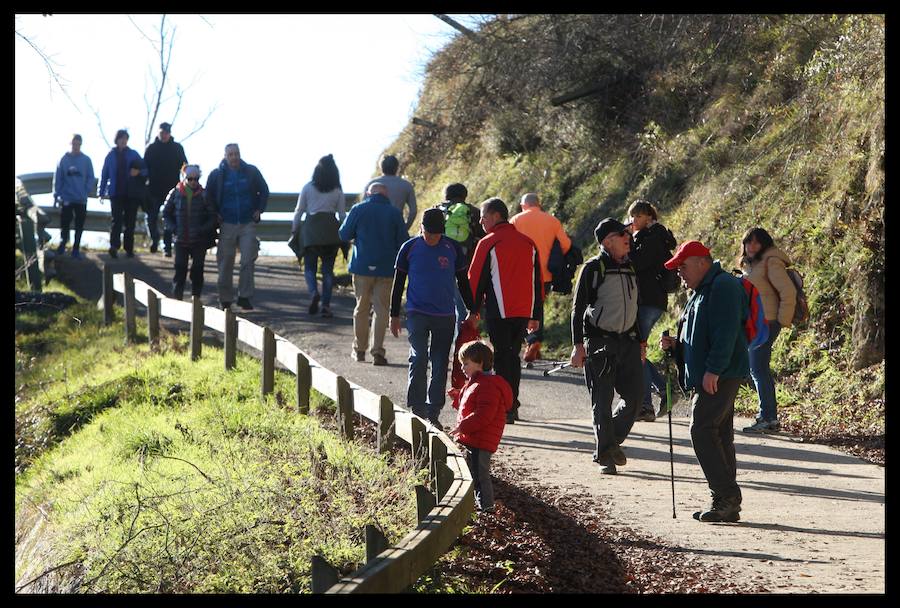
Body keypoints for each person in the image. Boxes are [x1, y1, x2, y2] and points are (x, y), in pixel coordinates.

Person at [659, 240, 749, 522]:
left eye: (683, 267)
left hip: (721, 374)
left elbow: (727, 333)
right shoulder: (701, 291)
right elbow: (701, 337)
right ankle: (726, 503)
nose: (680, 274)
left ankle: (726, 496)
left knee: (701, 430)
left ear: (702, 262)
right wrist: (677, 347)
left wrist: (714, 370)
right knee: (719, 435)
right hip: (715, 373)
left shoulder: (723, 286)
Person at [569, 218, 646, 475]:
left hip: (629, 342)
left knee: (635, 399)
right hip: (600, 342)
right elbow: (578, 309)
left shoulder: (631, 267)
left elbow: (635, 308)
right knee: (602, 400)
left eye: (628, 233)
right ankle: (606, 457)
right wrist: (578, 346)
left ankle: (608, 442)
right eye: (621, 233)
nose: (628, 237)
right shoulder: (593, 268)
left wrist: (641, 340)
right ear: (607, 241)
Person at [390, 208, 474, 428]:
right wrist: (394, 314)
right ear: (421, 229)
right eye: (428, 233)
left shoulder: (452, 248)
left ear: (442, 232)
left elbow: (463, 282)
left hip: (444, 315)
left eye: (436, 234)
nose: (432, 238)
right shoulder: (409, 248)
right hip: (417, 312)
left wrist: (472, 309)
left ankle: (433, 409)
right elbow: (398, 283)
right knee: (418, 357)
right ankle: (417, 406)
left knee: (439, 363)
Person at [468, 197, 543, 424]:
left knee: (502, 356)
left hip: (498, 309)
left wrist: (473, 310)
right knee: (513, 356)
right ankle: (513, 405)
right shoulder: (528, 242)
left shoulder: (488, 242)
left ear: (495, 216)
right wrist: (536, 314)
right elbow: (537, 281)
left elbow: (475, 279)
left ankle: (505, 407)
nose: (481, 221)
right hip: (522, 309)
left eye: (484, 216)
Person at [339, 182, 408, 365]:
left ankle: (359, 350)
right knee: (381, 309)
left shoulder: (358, 209)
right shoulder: (394, 212)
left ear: (369, 193)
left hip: (362, 266)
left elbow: (344, 234)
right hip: (386, 267)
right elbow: (403, 241)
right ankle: (377, 351)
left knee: (361, 308)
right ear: (386, 195)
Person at [737, 228, 797, 433]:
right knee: (758, 368)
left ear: (765, 244)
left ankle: (768, 417)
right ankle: (768, 416)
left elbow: (787, 292)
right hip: (757, 322)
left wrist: (781, 321)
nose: (752, 246)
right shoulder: (752, 265)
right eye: (748, 242)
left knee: (758, 369)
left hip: (767, 322)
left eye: (756, 243)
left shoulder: (771, 262)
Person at [625, 199, 678, 422]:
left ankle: (646, 404)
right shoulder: (648, 236)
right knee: (638, 349)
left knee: (638, 350)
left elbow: (636, 263)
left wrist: (627, 240)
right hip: (648, 300)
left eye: (638, 216)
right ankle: (664, 389)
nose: (634, 221)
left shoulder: (654, 237)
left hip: (649, 301)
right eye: (632, 217)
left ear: (649, 217)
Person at [448, 340, 513, 512]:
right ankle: (480, 504)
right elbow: (470, 405)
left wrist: (463, 426)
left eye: (466, 364)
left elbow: (484, 414)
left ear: (480, 363)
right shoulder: (477, 382)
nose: (462, 368)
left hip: (482, 438)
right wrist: (457, 396)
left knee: (480, 475)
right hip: (475, 437)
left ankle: (487, 507)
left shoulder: (488, 385)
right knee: (475, 473)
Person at [205, 143, 269, 311]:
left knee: (248, 258)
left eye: (237, 154)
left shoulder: (251, 172)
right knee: (226, 262)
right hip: (227, 223)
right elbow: (208, 196)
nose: (234, 157)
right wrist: (215, 214)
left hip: (247, 222)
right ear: (225, 156)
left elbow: (264, 190)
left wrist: (259, 210)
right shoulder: (217, 175)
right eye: (231, 154)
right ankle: (225, 299)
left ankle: (244, 297)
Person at [509, 192, 572, 363]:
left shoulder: (516, 220)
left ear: (523, 205)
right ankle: (535, 342)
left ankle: (531, 340)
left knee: (522, 308)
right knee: (538, 307)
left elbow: (508, 244)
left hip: (522, 273)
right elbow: (566, 244)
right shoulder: (552, 220)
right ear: (539, 204)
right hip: (545, 274)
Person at [291, 154, 346, 318]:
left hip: (311, 230)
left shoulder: (308, 187)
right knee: (328, 271)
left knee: (310, 267)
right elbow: (342, 215)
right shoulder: (337, 190)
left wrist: (295, 230)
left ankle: (314, 292)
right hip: (331, 230)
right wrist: (348, 232)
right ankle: (326, 306)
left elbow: (299, 211)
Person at [433, 182, 485, 332]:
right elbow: (483, 239)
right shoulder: (473, 212)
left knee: (437, 308)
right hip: (465, 266)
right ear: (465, 195)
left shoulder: (437, 211)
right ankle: (459, 349)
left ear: (446, 195)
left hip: (438, 266)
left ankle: (439, 346)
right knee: (461, 309)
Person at [162, 164, 216, 300]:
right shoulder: (175, 193)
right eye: (190, 178)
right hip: (180, 239)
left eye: (196, 179)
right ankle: (177, 299)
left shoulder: (204, 195)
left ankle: (196, 298)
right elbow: (165, 214)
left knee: (197, 270)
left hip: (199, 240)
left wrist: (202, 230)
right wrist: (173, 228)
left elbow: (212, 216)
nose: (193, 182)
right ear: (184, 178)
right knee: (180, 269)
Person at [144, 121, 188, 256]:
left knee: (169, 218)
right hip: (153, 189)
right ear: (159, 132)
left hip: (172, 190)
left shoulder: (177, 148)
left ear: (170, 134)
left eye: (167, 133)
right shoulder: (151, 148)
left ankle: (167, 247)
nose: (164, 135)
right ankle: (155, 239)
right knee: (150, 218)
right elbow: (144, 167)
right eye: (162, 133)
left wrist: (187, 177)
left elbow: (184, 166)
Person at [99, 129, 144, 258]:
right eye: (121, 139)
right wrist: (101, 192)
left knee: (130, 222)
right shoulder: (110, 155)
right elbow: (104, 174)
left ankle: (129, 248)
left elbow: (145, 169)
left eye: (125, 139)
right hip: (116, 193)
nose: (123, 141)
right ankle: (114, 246)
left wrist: (138, 172)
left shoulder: (133, 154)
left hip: (131, 194)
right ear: (117, 140)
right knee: (116, 220)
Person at [53, 134, 95, 259]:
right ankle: (62, 245)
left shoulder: (86, 160)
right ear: (70, 144)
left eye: (78, 144)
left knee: (79, 224)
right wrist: (57, 194)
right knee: (65, 223)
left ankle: (76, 248)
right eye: (73, 144)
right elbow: (58, 178)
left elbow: (90, 177)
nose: (75, 146)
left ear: (80, 144)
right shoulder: (63, 159)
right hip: (67, 198)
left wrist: (86, 191)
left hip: (81, 199)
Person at [363, 154, 417, 230]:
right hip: (396, 227)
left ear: (381, 167)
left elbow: (363, 209)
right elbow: (413, 211)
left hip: (374, 227)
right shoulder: (406, 185)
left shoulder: (371, 185)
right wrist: (405, 227)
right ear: (397, 167)